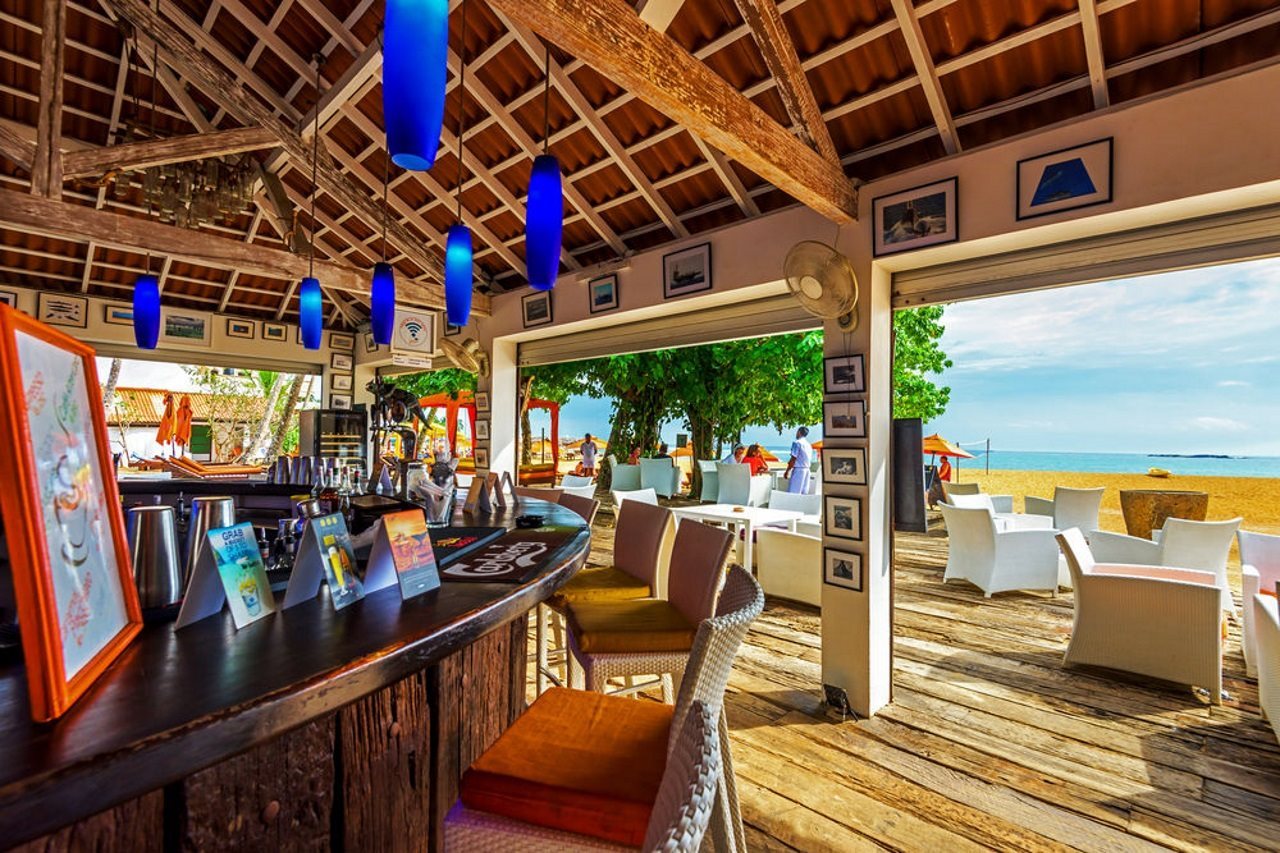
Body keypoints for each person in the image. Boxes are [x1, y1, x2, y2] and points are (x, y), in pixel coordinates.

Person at [784, 427, 814, 494]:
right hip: (807, 470)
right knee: (803, 493)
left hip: (799, 470)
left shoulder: (797, 443)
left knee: (794, 493)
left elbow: (793, 458)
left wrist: (787, 471)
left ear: (799, 432)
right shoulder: (808, 445)